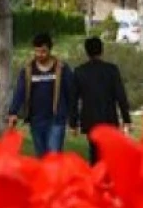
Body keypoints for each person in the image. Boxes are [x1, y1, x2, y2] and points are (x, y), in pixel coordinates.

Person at [7, 32, 76, 156]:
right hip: (36, 119)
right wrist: (13, 112)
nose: (40, 55)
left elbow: (71, 93)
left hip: (56, 119)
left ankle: (54, 175)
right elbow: (20, 91)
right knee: (41, 156)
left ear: (50, 50)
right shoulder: (28, 69)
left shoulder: (61, 68)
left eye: (43, 51)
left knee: (53, 156)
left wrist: (73, 119)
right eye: (37, 51)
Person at [71, 36, 131, 164]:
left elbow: (74, 99)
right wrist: (126, 119)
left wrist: (73, 122)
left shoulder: (79, 72)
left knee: (94, 152)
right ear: (101, 50)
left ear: (86, 52)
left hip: (89, 118)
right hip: (109, 116)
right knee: (109, 151)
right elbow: (120, 95)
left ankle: (96, 178)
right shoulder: (111, 70)